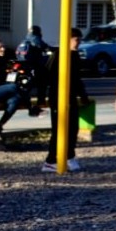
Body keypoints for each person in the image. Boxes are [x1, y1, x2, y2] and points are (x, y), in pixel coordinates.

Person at [42, 28, 90, 173]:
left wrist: (83, 96)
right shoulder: (58, 55)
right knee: (59, 129)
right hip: (57, 96)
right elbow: (45, 76)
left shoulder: (75, 56)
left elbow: (76, 79)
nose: (79, 43)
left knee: (73, 128)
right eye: (76, 40)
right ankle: (50, 160)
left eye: (80, 40)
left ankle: (69, 155)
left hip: (70, 96)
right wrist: (41, 98)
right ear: (68, 40)